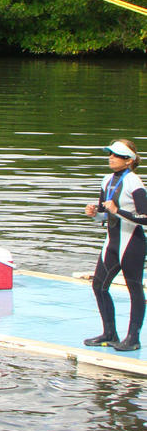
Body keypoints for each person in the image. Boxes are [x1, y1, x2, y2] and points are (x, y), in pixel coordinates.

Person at [83, 139, 147, 352]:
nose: (111, 157)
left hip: (132, 244)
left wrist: (117, 210)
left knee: (134, 289)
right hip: (111, 243)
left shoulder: (134, 183)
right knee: (98, 286)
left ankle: (133, 338)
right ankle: (109, 333)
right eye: (110, 153)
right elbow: (104, 215)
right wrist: (95, 214)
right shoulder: (106, 180)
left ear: (128, 161)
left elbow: (145, 217)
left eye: (116, 155)